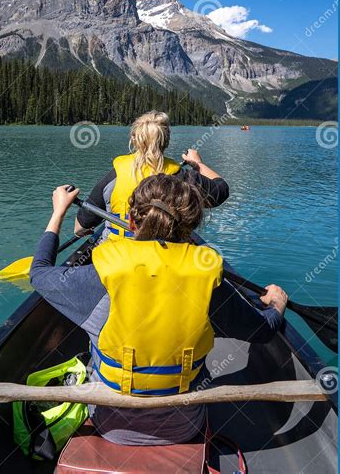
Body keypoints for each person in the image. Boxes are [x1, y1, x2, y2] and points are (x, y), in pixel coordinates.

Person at [31, 176, 288, 446]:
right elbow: (262, 331)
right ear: (190, 228)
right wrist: (276, 307)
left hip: (109, 425)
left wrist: (58, 211)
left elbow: (38, 274)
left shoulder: (100, 276)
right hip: (184, 427)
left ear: (131, 223)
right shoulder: (208, 281)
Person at [74, 110, 229, 240]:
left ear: (134, 139)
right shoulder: (182, 178)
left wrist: (84, 231)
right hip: (163, 258)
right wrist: (198, 164)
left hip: (116, 257)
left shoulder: (115, 175)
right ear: (166, 141)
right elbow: (221, 191)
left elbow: (80, 227)